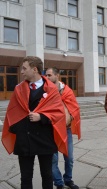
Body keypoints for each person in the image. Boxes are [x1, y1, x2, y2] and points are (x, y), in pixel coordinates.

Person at [1, 56, 67, 189]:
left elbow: (59, 114)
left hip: (45, 139)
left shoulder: (51, 89)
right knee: (25, 177)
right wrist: (18, 129)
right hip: (24, 139)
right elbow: (12, 112)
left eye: (24, 68)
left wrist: (41, 117)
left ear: (35, 69)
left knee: (47, 175)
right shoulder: (18, 89)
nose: (21, 72)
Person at [46, 67, 81, 189]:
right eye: (46, 75)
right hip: (51, 130)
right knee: (53, 160)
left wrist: (71, 116)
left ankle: (68, 179)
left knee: (69, 158)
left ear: (57, 76)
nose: (47, 77)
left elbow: (75, 106)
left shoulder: (67, 90)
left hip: (66, 129)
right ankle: (59, 183)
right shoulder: (45, 91)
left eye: (50, 75)